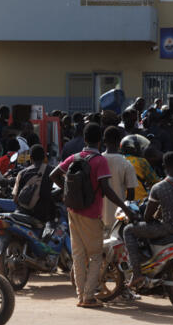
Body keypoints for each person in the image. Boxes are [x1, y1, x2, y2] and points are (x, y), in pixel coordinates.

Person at [50, 123, 131, 309]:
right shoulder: (99, 161)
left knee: (78, 255)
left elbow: (54, 175)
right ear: (99, 140)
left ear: (84, 139)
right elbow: (106, 189)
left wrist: (68, 191)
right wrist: (125, 208)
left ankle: (80, 296)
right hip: (91, 213)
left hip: (72, 210)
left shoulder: (75, 157)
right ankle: (88, 297)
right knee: (95, 255)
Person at [123, 151, 173, 284]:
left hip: (168, 229)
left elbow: (148, 216)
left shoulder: (158, 187)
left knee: (128, 230)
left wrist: (153, 219)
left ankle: (137, 273)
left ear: (164, 166)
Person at [101, 126, 139, 233]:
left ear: (104, 141)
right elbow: (130, 195)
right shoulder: (126, 164)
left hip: (98, 218)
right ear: (119, 141)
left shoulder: (97, 161)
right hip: (119, 221)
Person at [14, 145, 56, 223]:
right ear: (44, 158)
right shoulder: (53, 171)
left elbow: (15, 199)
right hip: (43, 216)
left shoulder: (22, 173)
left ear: (30, 158)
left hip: (22, 214)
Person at [121, 135, 158, 201]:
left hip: (123, 201)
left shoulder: (120, 161)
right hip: (140, 201)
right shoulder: (141, 161)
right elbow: (155, 181)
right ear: (135, 149)